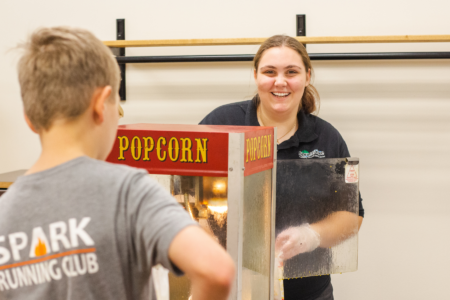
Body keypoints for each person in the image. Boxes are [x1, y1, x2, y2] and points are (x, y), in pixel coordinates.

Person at [0, 27, 234, 300]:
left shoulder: (5, 210)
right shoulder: (128, 190)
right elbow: (217, 271)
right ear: (101, 104)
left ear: (29, 118)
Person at [200, 35, 364, 300]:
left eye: (291, 72)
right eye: (269, 72)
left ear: (307, 76)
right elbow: (189, 203)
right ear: (255, 75)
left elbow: (352, 214)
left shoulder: (327, 138)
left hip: (310, 292)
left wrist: (311, 235)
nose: (280, 81)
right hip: (232, 288)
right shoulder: (220, 124)